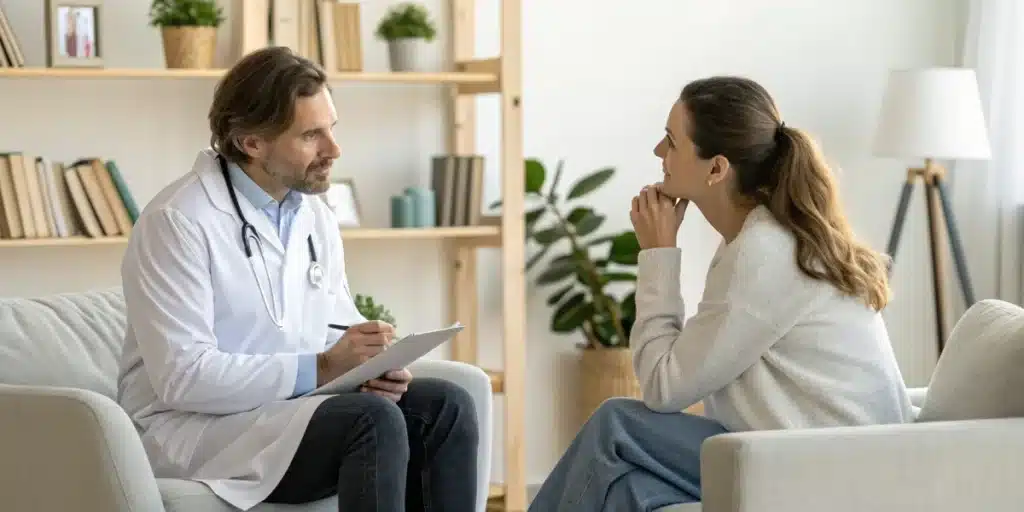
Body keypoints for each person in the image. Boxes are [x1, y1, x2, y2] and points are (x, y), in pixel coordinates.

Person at [117, 46, 479, 512]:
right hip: (196, 430)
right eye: (311, 135)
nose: (334, 149)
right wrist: (325, 368)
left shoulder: (312, 214)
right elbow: (183, 378)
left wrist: (371, 363)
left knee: (446, 406)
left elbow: (334, 322)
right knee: (371, 421)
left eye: (332, 128)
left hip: (288, 410)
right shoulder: (177, 221)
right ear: (251, 142)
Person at [529, 76, 916, 511]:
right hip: (804, 453)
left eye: (671, 142)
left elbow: (662, 388)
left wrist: (659, 255)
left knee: (615, 425)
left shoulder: (765, 254)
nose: (659, 153)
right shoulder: (758, 240)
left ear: (716, 169)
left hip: (830, 468)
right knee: (628, 492)